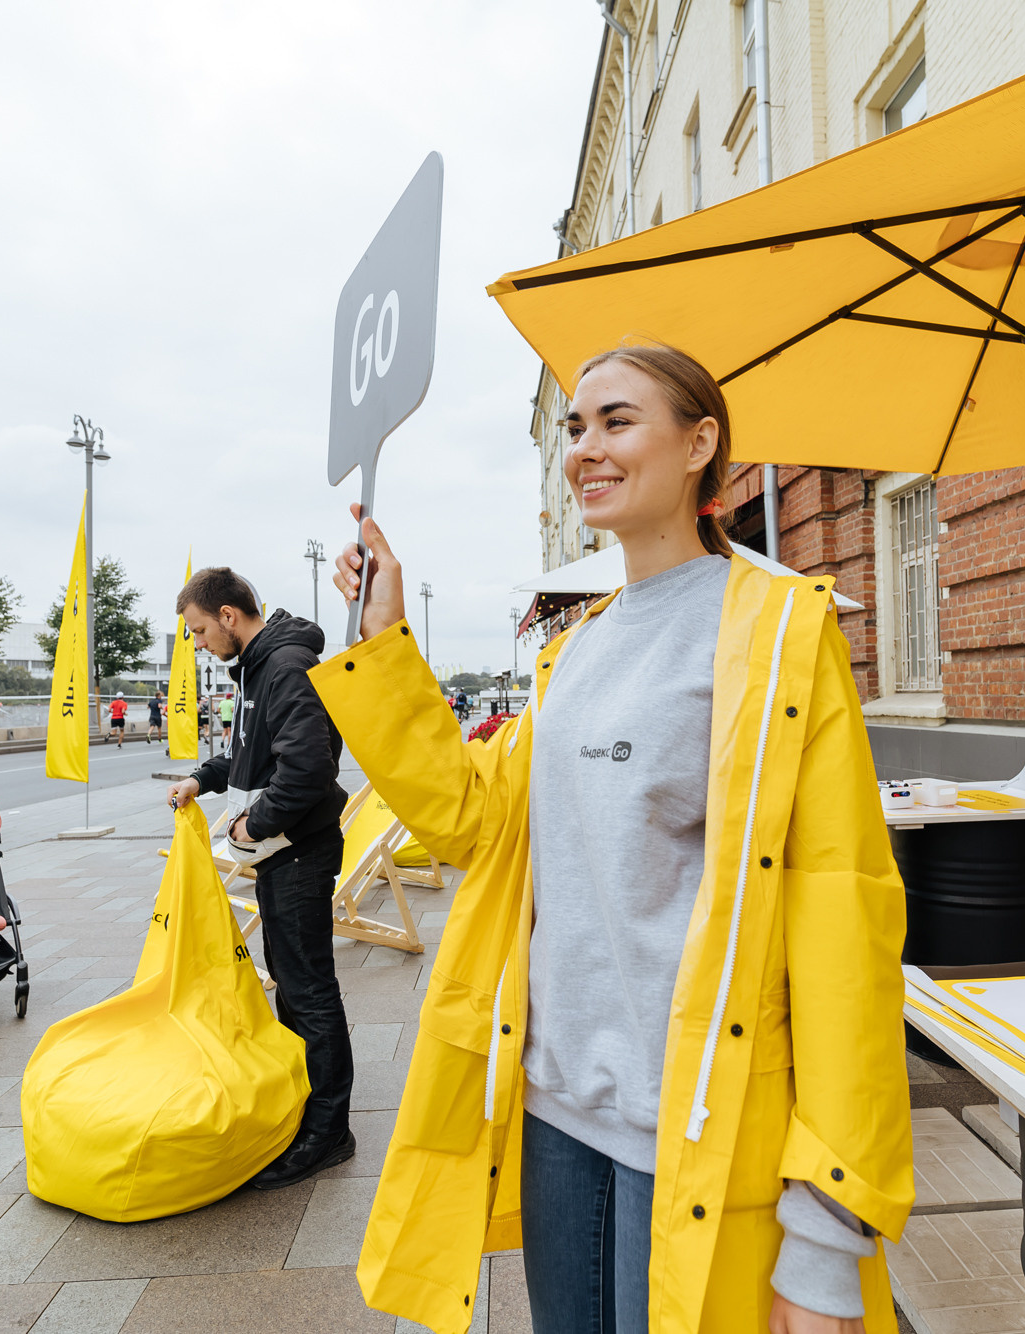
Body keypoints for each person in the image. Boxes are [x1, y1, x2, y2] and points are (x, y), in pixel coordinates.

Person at [323, 343, 912, 1334]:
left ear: (699, 443)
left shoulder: (777, 636)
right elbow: (477, 822)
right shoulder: (572, 650)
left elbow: (842, 918)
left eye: (616, 420)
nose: (585, 448)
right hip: (556, 1107)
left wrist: (826, 1230)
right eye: (574, 425)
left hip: (697, 1124)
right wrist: (383, 646)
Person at [166, 567, 354, 1188]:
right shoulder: (255, 666)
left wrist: (254, 825)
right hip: (282, 851)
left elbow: (307, 767)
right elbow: (255, 752)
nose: (195, 644)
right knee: (295, 985)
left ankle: (328, 1132)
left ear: (227, 615)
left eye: (197, 630)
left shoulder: (284, 666)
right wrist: (205, 776)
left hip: (296, 849)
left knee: (309, 989)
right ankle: (306, 1107)